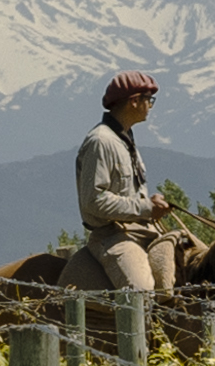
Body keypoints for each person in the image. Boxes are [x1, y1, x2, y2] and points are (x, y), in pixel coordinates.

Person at [69, 70, 184, 308]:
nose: (150, 106)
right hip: (113, 236)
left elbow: (126, 193)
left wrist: (149, 203)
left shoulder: (123, 138)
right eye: (148, 100)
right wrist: (145, 207)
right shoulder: (101, 141)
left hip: (140, 229)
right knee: (141, 294)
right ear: (134, 101)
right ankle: (140, 344)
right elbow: (93, 200)